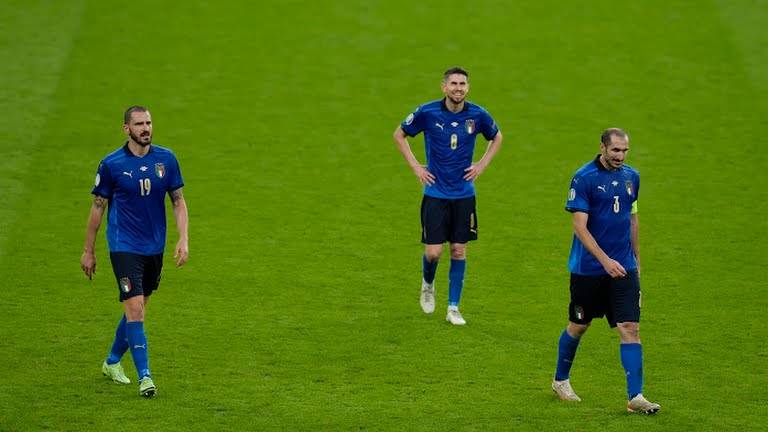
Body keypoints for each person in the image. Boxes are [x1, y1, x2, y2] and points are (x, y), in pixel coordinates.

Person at [80, 106, 188, 398]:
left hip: (154, 247)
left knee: (138, 309)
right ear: (126, 129)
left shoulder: (166, 159)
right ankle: (145, 377)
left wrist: (183, 238)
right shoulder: (111, 164)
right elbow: (97, 209)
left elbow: (178, 201)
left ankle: (112, 362)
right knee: (136, 308)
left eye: (149, 123)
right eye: (139, 124)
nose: (146, 128)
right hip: (124, 246)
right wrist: (88, 251)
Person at [551, 128, 660, 414]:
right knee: (579, 325)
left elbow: (632, 220)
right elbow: (579, 227)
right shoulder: (584, 178)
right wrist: (604, 261)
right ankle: (560, 380)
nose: (620, 156)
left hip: (624, 268)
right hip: (588, 270)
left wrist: (636, 264)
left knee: (630, 328)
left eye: (624, 151)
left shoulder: (632, 177)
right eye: (615, 150)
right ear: (602, 147)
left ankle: (636, 397)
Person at [393, 67, 502, 325]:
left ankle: (453, 307)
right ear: (444, 87)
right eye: (453, 83)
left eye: (462, 84)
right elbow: (399, 134)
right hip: (435, 192)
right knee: (433, 253)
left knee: (458, 250)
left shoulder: (478, 114)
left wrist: (481, 165)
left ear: (468, 87)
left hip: (463, 194)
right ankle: (428, 284)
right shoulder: (427, 112)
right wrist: (416, 167)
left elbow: (497, 136)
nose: (458, 88)